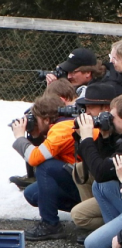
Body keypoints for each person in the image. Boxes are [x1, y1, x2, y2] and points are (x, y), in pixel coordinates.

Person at [11, 94, 87, 240]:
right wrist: (35, 135)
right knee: (32, 193)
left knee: (45, 167)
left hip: (86, 183)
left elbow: (35, 158)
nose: (34, 122)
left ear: (46, 119)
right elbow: (42, 153)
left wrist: (20, 138)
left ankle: (50, 225)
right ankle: (82, 211)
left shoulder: (62, 129)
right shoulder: (61, 125)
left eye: (36, 119)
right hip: (79, 177)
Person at [69, 82, 122, 234]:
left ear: (106, 108)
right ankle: (98, 213)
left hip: (120, 188)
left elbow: (101, 172)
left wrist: (87, 139)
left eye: (90, 107)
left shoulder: (121, 129)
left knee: (79, 216)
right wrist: (85, 137)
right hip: (108, 182)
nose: (87, 113)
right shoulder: (106, 126)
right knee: (80, 169)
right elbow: (92, 161)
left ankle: (110, 227)